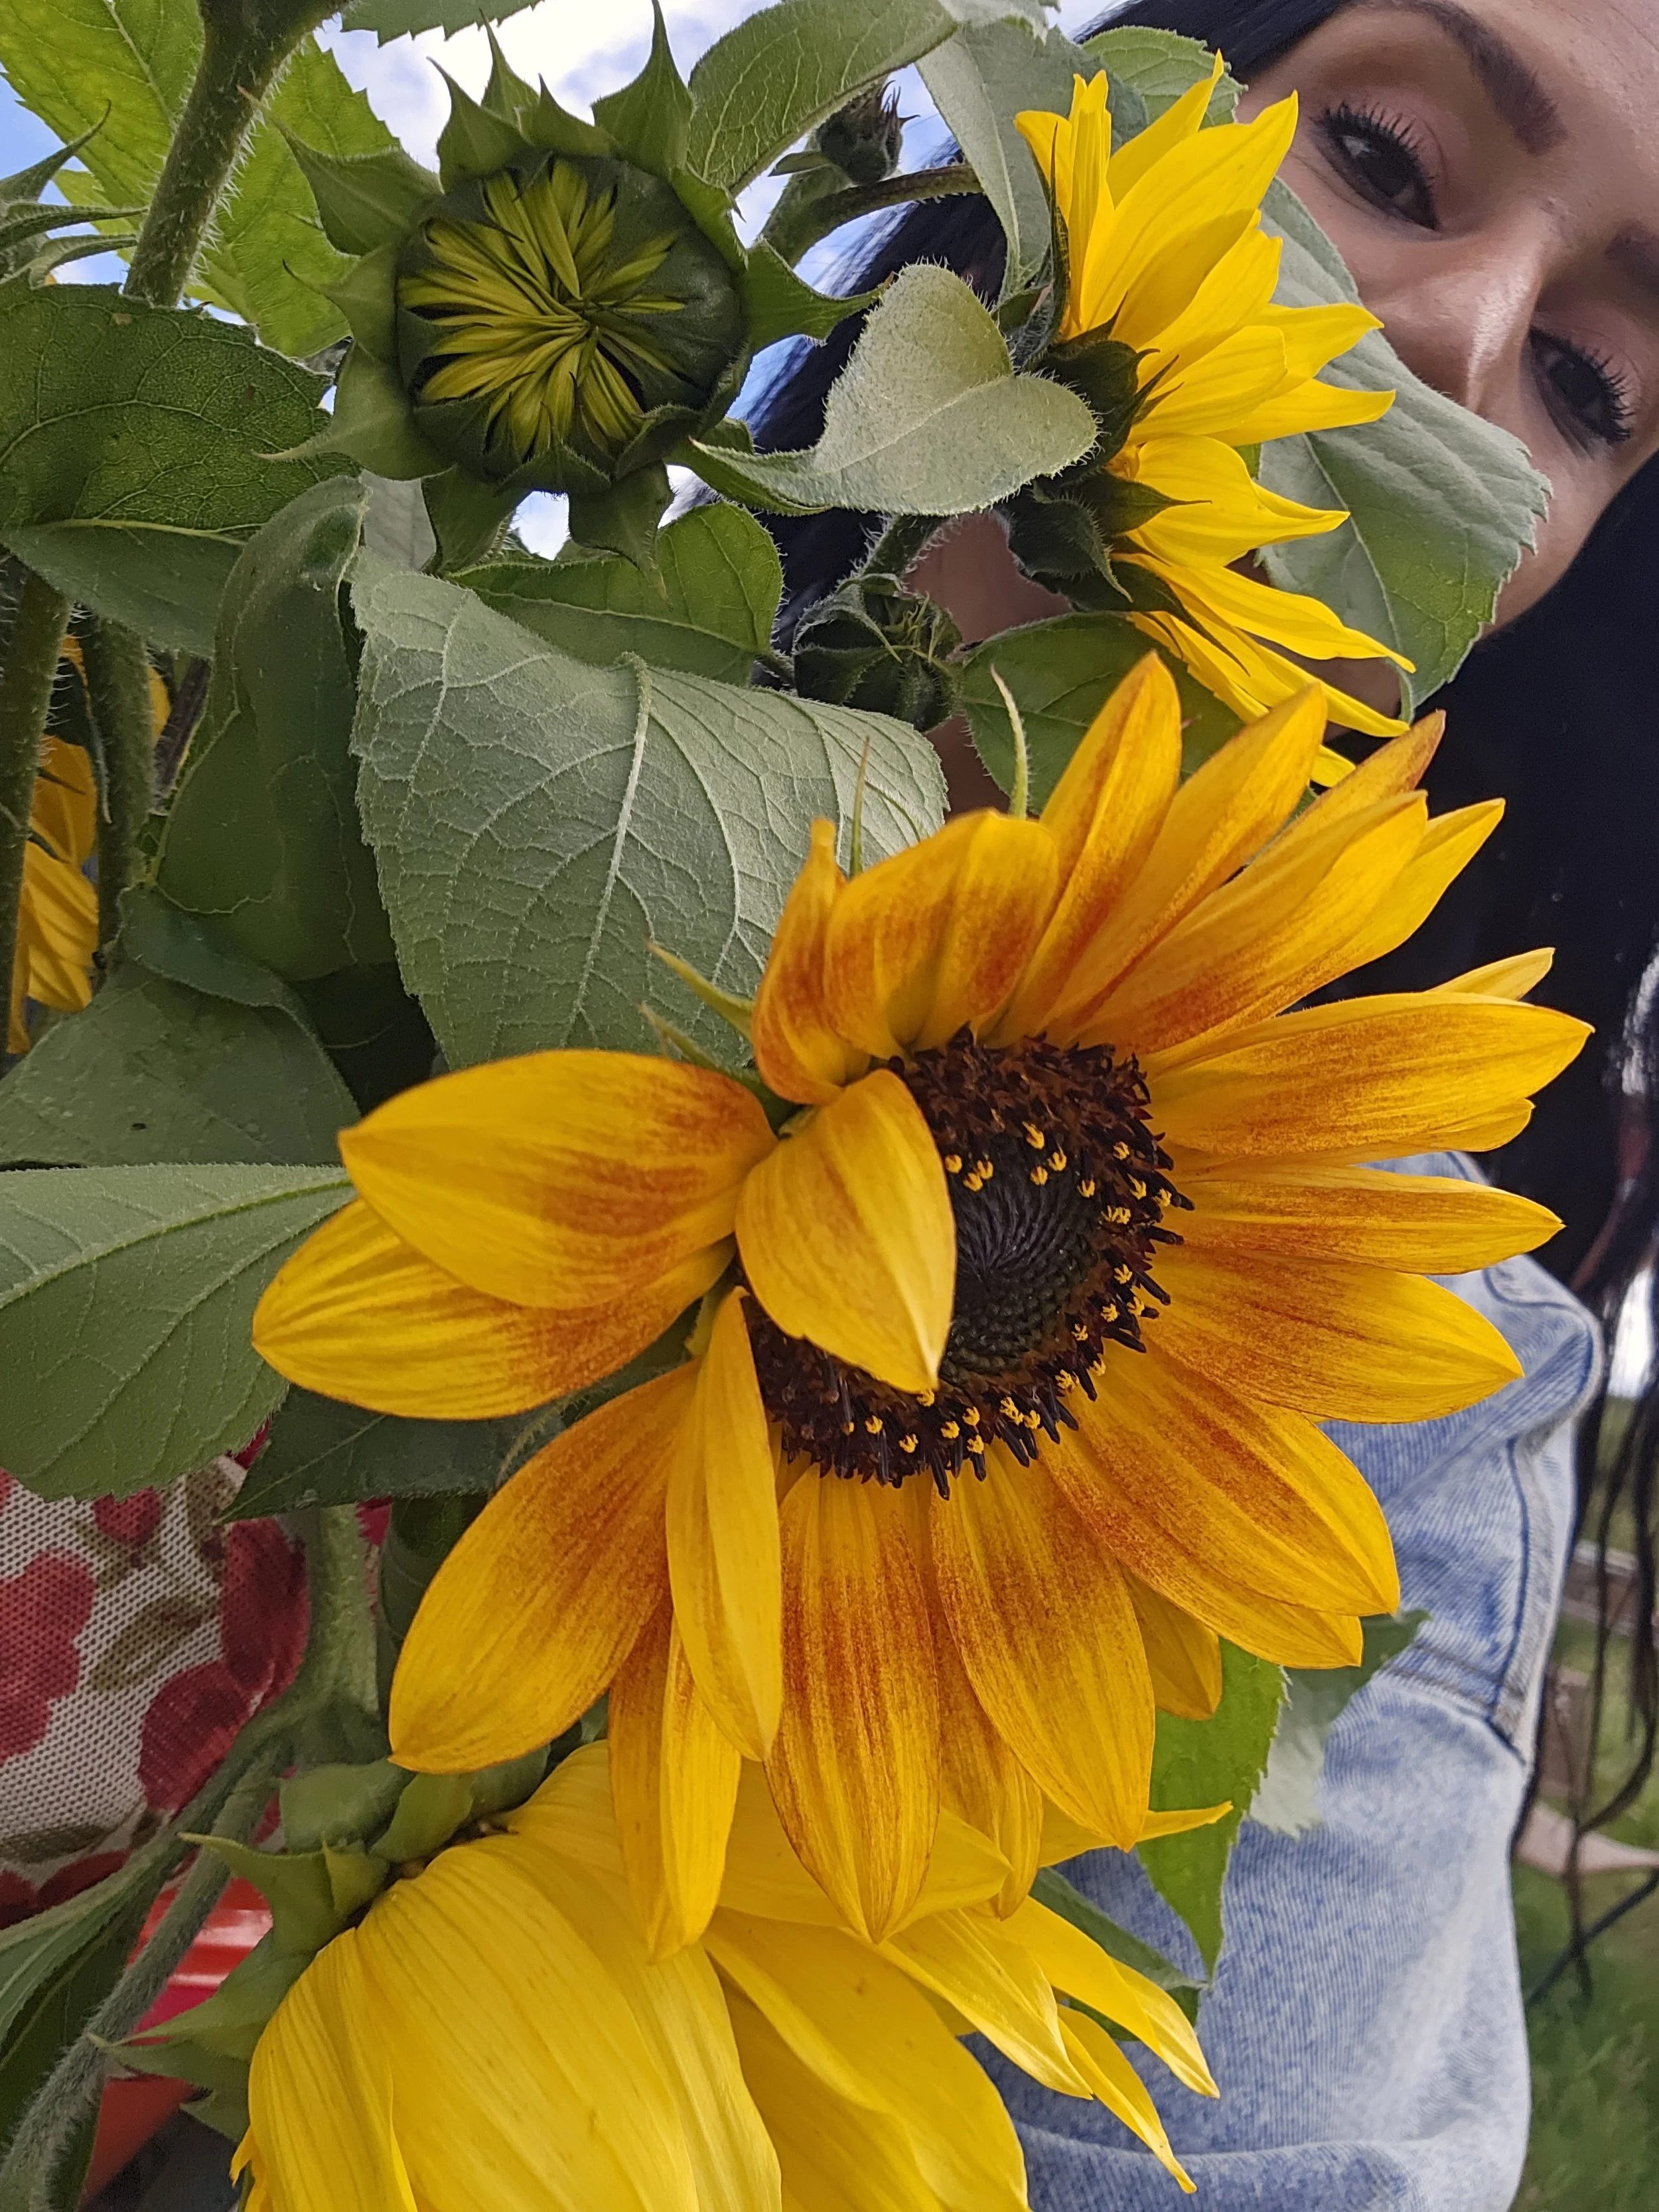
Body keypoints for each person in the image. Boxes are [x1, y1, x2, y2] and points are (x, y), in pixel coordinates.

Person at [753, 1, 1659, 2204]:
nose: (1458, 340)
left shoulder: (1367, 1367)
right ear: (1090, 132)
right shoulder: (289, 691)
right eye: (1377, 149)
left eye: (1591, 391)